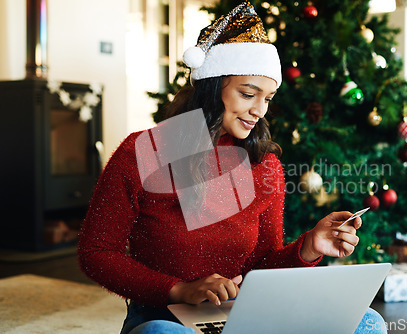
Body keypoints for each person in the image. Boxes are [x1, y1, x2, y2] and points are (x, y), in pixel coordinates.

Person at [77, 2, 387, 334]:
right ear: (213, 86)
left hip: (242, 315)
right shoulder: (144, 153)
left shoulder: (265, 166)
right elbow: (96, 252)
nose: (258, 111)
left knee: (369, 322)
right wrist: (179, 289)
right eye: (248, 93)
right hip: (163, 315)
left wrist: (309, 246)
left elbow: (261, 268)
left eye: (267, 98)